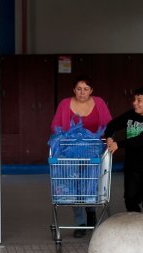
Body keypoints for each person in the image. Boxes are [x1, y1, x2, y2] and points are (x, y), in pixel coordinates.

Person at [51, 75, 112, 238]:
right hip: (69, 153)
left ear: (91, 90)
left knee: (90, 182)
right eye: (79, 89)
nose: (82, 92)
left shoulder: (98, 102)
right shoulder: (65, 104)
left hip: (93, 151)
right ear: (74, 90)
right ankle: (80, 221)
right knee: (73, 184)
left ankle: (91, 210)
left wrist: (108, 140)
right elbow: (55, 126)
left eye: (86, 89)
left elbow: (109, 125)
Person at [104, 87, 143, 219]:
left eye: (139, 100)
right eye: (134, 99)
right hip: (132, 167)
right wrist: (109, 137)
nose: (135, 103)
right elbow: (112, 124)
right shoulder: (131, 115)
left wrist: (119, 144)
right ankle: (135, 225)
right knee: (130, 198)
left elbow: (141, 140)